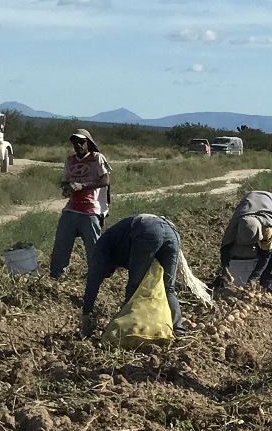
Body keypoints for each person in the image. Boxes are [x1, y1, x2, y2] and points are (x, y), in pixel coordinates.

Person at [81, 213, 207, 338]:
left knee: (134, 287)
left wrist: (86, 313)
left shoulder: (102, 246)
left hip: (147, 231)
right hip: (171, 232)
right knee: (168, 287)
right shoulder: (116, 241)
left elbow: (93, 278)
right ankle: (178, 332)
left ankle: (128, 331)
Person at [51, 129, 110, 281]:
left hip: (90, 210)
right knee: (61, 244)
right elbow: (65, 180)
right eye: (75, 142)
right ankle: (56, 277)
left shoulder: (97, 158)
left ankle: (97, 276)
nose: (78, 145)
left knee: (93, 247)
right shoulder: (70, 161)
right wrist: (66, 188)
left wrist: (82, 186)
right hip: (72, 208)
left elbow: (105, 181)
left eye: (81, 142)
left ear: (88, 143)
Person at [217, 190, 272, 292]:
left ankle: (269, 284)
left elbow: (266, 255)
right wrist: (225, 267)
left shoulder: (267, 230)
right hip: (249, 200)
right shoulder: (235, 226)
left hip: (269, 202)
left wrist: (253, 278)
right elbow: (225, 247)